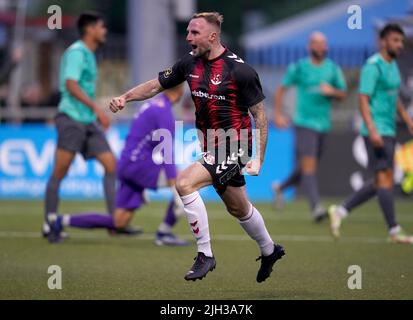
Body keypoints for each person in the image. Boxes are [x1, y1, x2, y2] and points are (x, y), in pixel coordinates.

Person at [108, 12, 285, 283]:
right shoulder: (189, 63)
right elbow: (156, 86)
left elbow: (259, 115)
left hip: (235, 144)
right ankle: (269, 250)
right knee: (238, 208)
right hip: (211, 144)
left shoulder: (240, 71)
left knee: (185, 183)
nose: (188, 37)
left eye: (194, 33)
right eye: (188, 32)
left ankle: (205, 254)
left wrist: (258, 158)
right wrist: (125, 97)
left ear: (212, 36)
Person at [47, 85, 189, 246]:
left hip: (128, 163)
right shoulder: (164, 113)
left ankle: (60, 221)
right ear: (180, 91)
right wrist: (175, 188)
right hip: (138, 166)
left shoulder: (154, 105)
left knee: (119, 221)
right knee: (186, 182)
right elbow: (167, 154)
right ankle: (164, 232)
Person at [328, 24, 413, 244]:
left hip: (390, 130)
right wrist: (373, 130)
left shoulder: (392, 66)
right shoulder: (372, 66)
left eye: (401, 41)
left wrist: (407, 120)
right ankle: (394, 230)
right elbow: (363, 99)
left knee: (378, 182)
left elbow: (394, 98)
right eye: (395, 40)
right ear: (383, 41)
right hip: (376, 131)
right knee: (384, 178)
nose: (399, 45)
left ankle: (340, 211)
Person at [44, 12, 121, 241]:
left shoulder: (89, 54)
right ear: (90, 29)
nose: (105, 30)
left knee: (110, 164)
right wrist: (98, 109)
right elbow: (70, 84)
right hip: (71, 119)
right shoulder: (77, 52)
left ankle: (113, 223)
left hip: (87, 121)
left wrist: (94, 112)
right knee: (60, 171)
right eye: (101, 27)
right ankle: (49, 224)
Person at [272, 31, 347, 221]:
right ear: (309, 46)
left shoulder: (333, 69)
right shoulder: (299, 67)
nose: (320, 46)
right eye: (316, 43)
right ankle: (316, 207)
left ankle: (280, 188)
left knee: (306, 166)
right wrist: (278, 115)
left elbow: (343, 94)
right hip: (304, 123)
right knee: (309, 166)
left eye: (323, 43)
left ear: (327, 47)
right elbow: (281, 90)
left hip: (323, 124)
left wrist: (332, 91)